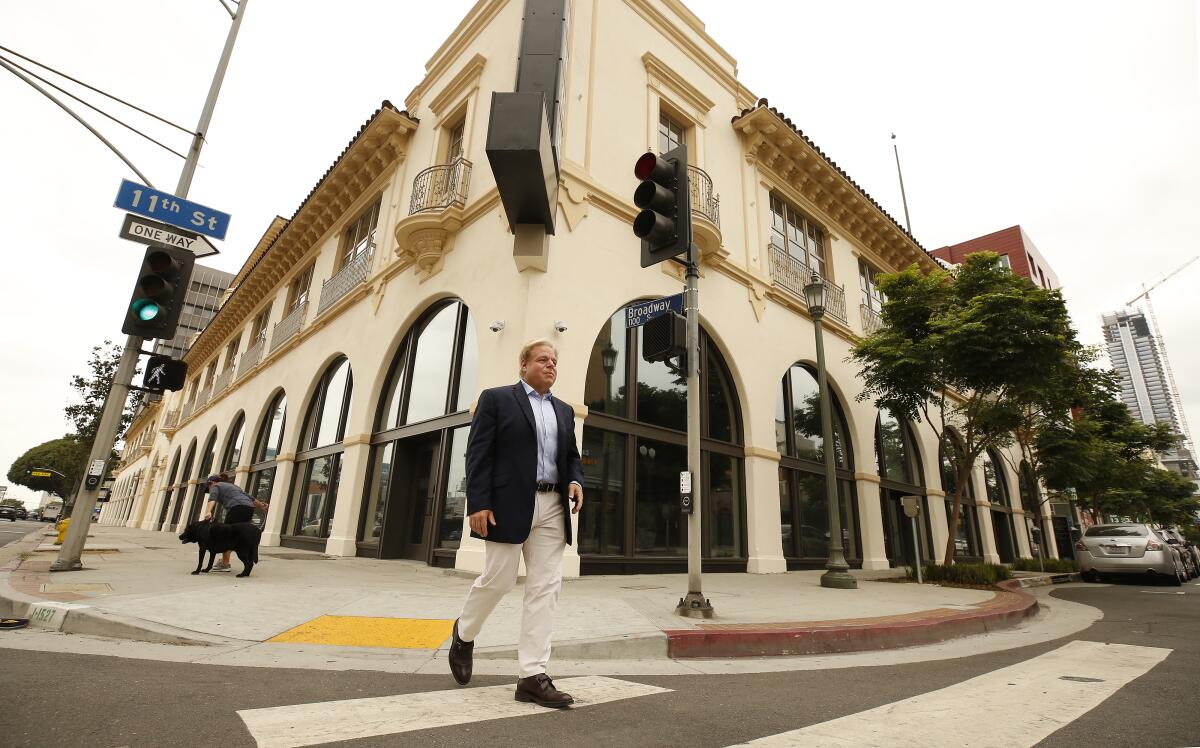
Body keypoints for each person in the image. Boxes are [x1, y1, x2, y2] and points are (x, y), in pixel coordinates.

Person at [448, 339, 584, 708]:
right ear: (523, 364)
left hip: (553, 505)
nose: (551, 365)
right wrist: (478, 502)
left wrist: (575, 480)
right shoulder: (497, 399)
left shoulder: (564, 410)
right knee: (499, 579)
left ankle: (532, 676)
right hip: (507, 504)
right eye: (543, 359)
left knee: (545, 588)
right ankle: (464, 632)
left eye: (555, 360)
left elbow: (571, 456)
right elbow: (478, 453)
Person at [201, 472, 268, 573]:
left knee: (226, 535)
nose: (209, 490)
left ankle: (225, 563)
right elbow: (250, 498)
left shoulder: (215, 486)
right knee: (239, 535)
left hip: (236, 508)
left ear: (212, 482)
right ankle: (247, 560)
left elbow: (212, 499)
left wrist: (208, 511)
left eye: (208, 488)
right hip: (249, 508)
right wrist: (261, 506)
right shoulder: (234, 487)